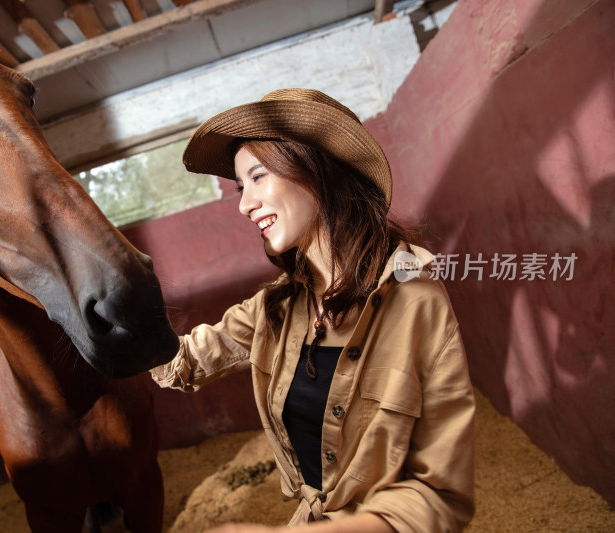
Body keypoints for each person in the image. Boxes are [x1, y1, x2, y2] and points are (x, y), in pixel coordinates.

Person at [151, 89, 475, 533]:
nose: (244, 205)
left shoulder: (415, 300)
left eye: (258, 176)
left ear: (316, 170)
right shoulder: (277, 307)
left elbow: (440, 496)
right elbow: (183, 360)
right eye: (240, 187)